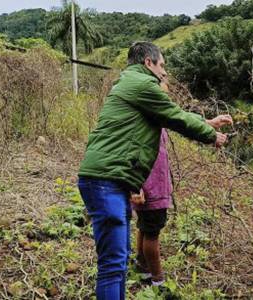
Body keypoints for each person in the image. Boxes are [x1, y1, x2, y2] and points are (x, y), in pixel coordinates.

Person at [77, 41, 232, 300]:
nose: (165, 72)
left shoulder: (132, 84)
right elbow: (174, 116)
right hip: (106, 182)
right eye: (162, 65)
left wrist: (205, 122)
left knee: (119, 261)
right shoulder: (142, 84)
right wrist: (210, 135)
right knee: (113, 264)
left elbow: (172, 113)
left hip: (110, 181)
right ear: (148, 63)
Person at [130, 129, 171, 288]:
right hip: (151, 189)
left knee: (145, 228)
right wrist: (136, 186)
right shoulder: (145, 119)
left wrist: (207, 123)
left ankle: (142, 267)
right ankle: (157, 278)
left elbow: (179, 118)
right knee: (152, 234)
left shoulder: (154, 116)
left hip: (152, 188)